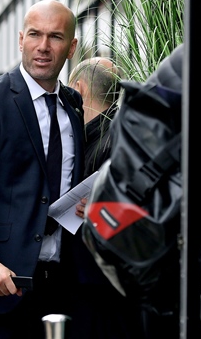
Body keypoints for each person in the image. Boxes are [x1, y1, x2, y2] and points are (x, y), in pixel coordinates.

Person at [0, 0, 85, 339]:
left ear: (71, 48)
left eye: (55, 37)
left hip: (59, 288)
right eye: (35, 35)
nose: (43, 46)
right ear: (20, 40)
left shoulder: (73, 106)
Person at [67, 58, 145, 339]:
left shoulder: (98, 140)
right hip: (118, 278)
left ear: (79, 88)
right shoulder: (129, 134)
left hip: (94, 277)